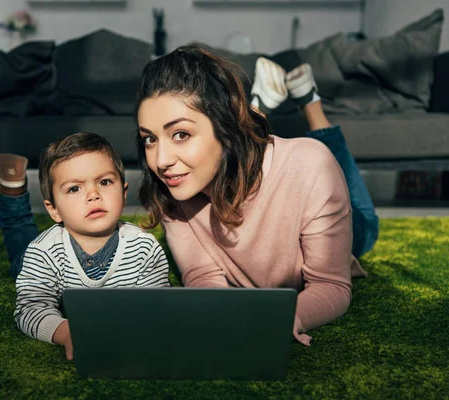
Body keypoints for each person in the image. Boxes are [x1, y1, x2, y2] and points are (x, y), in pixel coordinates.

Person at [134, 44, 379, 346]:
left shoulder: (308, 165)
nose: (160, 161)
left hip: (334, 207)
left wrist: (286, 318)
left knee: (365, 226)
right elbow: (202, 277)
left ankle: (311, 105)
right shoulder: (173, 189)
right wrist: (220, 314)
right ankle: (258, 105)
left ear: (224, 126)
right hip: (235, 148)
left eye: (181, 134)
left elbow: (331, 284)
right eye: (149, 139)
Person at [0, 133, 170, 360]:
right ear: (54, 210)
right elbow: (31, 309)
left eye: (104, 182)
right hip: (44, 257)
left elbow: (157, 306)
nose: (93, 195)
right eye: (74, 189)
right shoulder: (42, 253)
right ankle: (13, 189)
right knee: (21, 249)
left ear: (124, 193)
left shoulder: (144, 247)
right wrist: (67, 332)